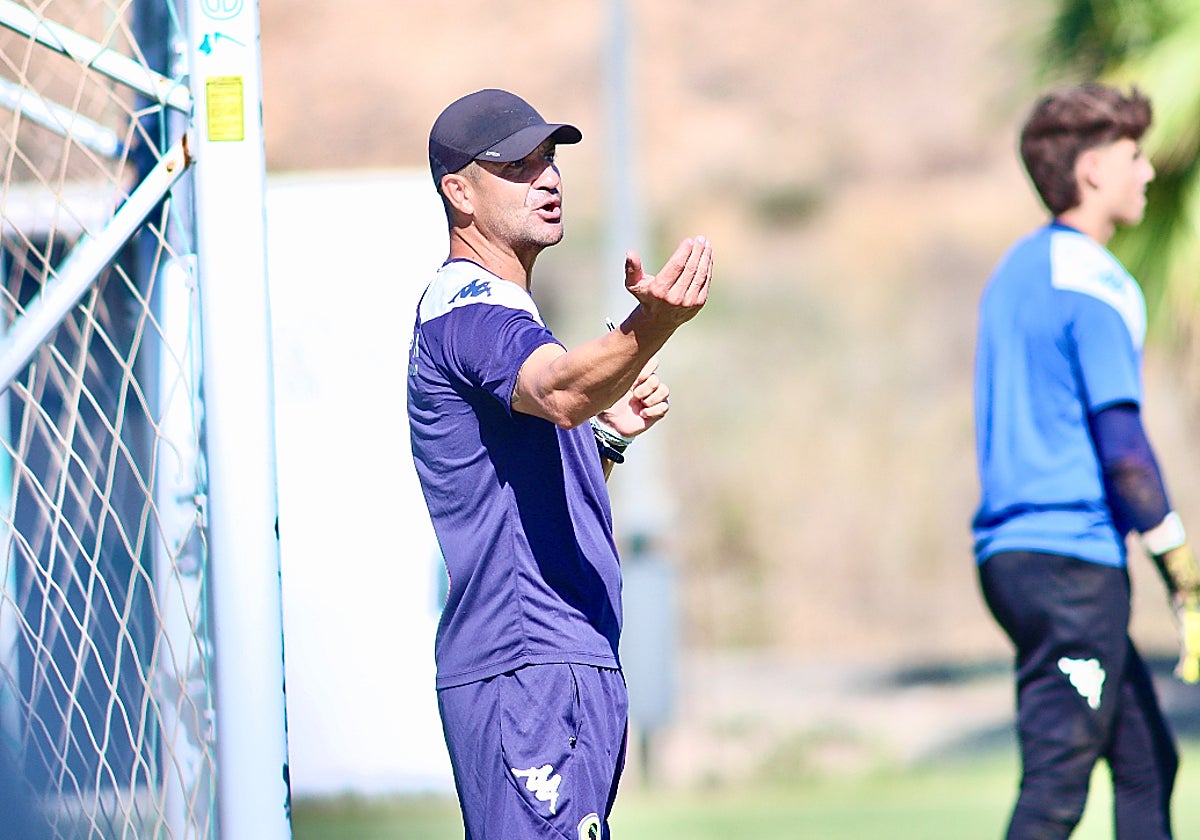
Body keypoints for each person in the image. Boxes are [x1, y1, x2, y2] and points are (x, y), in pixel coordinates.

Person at [407, 88, 712, 839]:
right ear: (460, 192)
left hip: (559, 663)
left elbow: (535, 492)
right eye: (516, 164)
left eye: (549, 158)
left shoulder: (504, 314)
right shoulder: (469, 311)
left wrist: (605, 440)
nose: (546, 176)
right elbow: (562, 389)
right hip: (527, 667)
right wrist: (654, 323)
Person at [972, 82, 1200, 839]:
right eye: (1136, 156)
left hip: (1019, 559)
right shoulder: (1098, 280)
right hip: (1067, 563)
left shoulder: (1016, 269)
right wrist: (1181, 566)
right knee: (1056, 785)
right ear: (1095, 169)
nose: (1149, 172)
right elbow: (1124, 449)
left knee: (1144, 761)